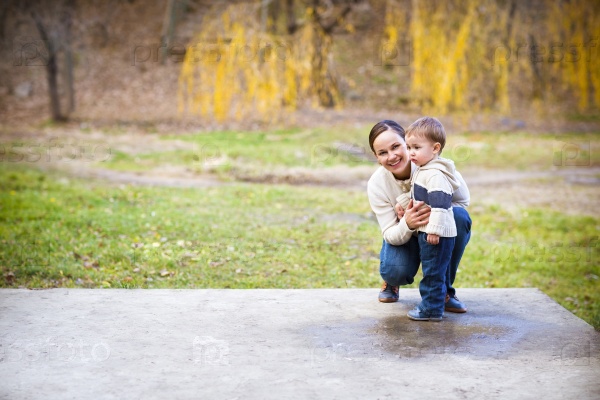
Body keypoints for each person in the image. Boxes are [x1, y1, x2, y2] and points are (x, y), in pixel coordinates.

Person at [366, 119, 471, 317]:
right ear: (376, 157)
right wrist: (407, 222)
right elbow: (389, 232)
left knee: (459, 217)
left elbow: (463, 202)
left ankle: (443, 291)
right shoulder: (377, 184)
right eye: (383, 152)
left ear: (407, 142)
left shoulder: (434, 167)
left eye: (396, 146)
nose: (392, 156)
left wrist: (433, 214)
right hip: (405, 235)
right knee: (395, 271)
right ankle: (391, 280)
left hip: (435, 233)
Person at [400, 117, 462, 321]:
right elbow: (420, 197)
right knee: (434, 271)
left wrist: (434, 229)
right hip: (428, 231)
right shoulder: (424, 170)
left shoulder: (435, 174)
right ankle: (434, 305)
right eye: (409, 147)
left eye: (416, 147)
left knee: (433, 273)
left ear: (435, 148)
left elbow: (441, 203)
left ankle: (431, 310)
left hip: (436, 234)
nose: (411, 153)